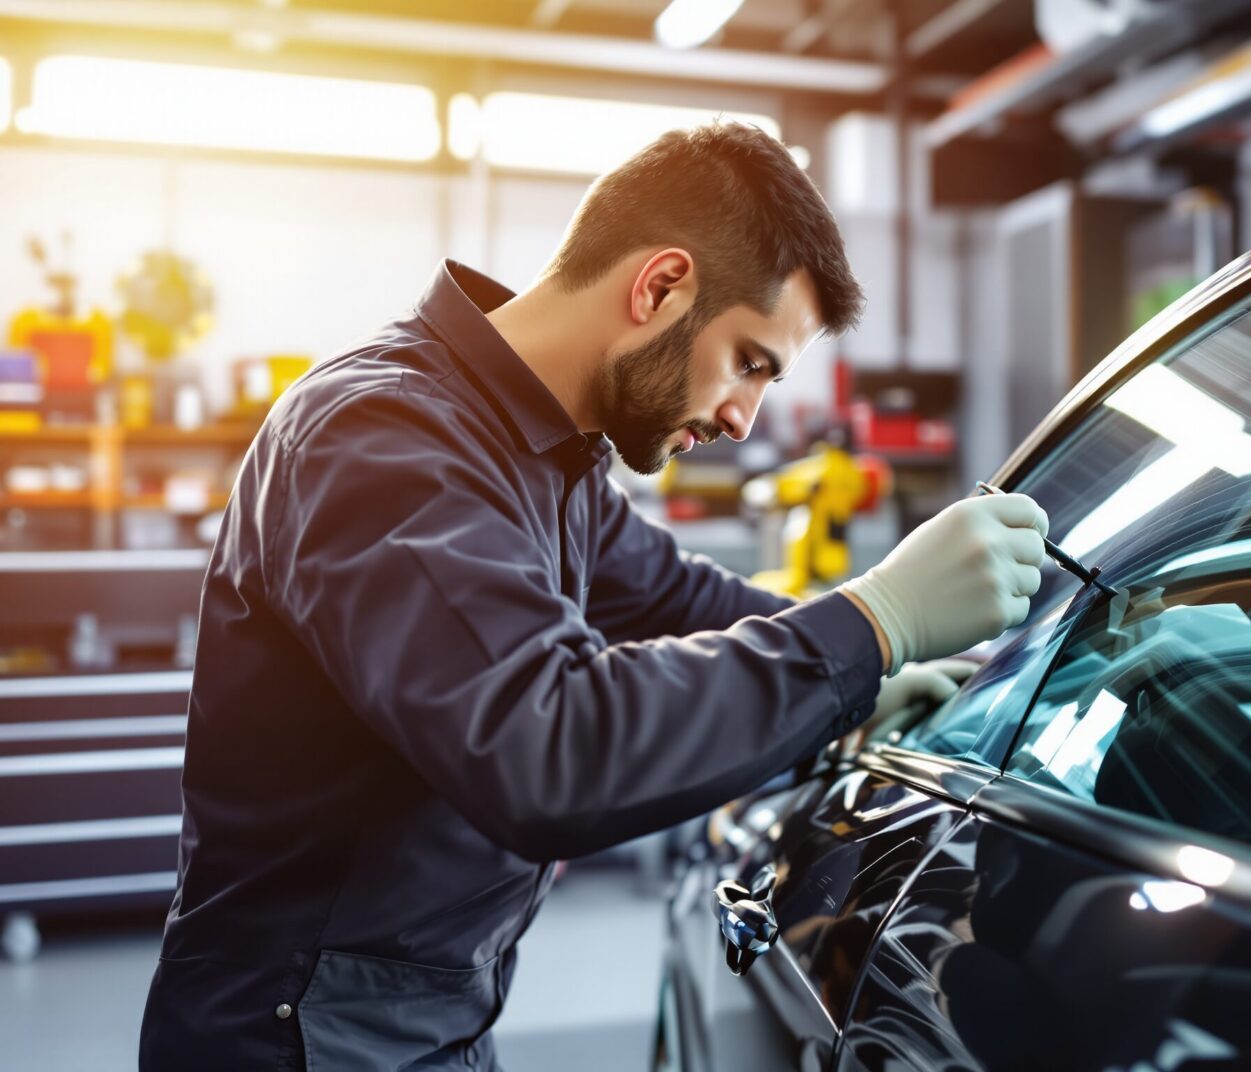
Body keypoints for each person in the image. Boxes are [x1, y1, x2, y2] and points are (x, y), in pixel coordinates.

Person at [138, 122, 1049, 1070]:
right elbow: (549, 746)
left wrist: (897, 664)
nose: (744, 418)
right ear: (659, 287)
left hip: (415, 1024)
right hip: (294, 1042)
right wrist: (876, 620)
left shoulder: (547, 456)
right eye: (750, 362)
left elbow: (676, 595)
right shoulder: (382, 439)